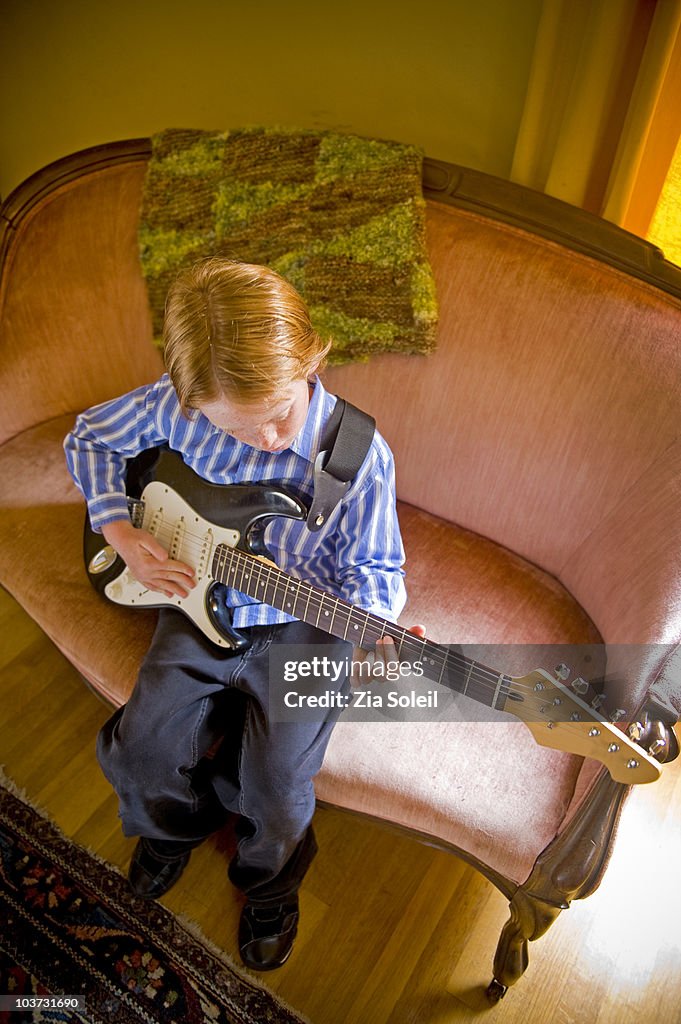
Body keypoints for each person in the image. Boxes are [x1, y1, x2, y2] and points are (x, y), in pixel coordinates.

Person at [64, 257, 417, 971]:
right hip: (198, 598)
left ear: (312, 359)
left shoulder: (359, 456)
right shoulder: (173, 406)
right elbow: (90, 438)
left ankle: (266, 887)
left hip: (309, 624)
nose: (267, 441)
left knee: (279, 787)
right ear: (192, 401)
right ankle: (172, 828)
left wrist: (373, 624)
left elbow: (375, 569)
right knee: (142, 748)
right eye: (239, 427)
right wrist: (121, 531)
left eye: (280, 413)